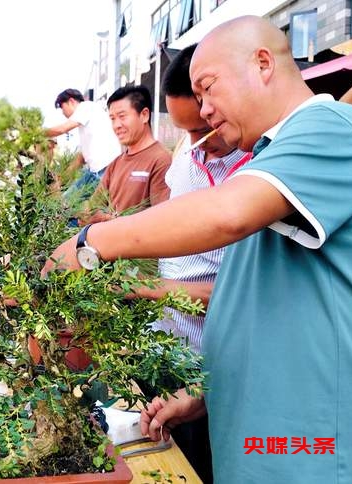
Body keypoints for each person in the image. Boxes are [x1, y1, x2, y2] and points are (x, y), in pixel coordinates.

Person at [45, 15, 352, 484]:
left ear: (262, 63)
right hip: (262, 443)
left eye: (209, 88)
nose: (206, 108)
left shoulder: (330, 127)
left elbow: (226, 213)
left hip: (310, 450)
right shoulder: (268, 165)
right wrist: (207, 392)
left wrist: (88, 245)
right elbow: (258, 304)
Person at [140, 43, 249, 484]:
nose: (197, 142)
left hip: (224, 367)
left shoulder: (259, 174)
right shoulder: (185, 164)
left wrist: (141, 289)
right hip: (174, 355)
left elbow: (238, 295)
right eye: (184, 130)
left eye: (202, 127)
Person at [81, 85, 171, 225]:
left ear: (144, 115)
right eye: (112, 118)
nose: (117, 125)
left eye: (122, 116)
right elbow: (90, 211)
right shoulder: (115, 164)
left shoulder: (162, 160)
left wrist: (109, 220)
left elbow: (161, 222)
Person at [45, 88, 122, 197]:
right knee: (67, 201)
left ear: (71, 101)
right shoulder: (88, 123)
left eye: (62, 108)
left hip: (105, 169)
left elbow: (62, 129)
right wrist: (60, 181)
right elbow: (80, 158)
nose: (63, 113)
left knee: (70, 204)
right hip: (96, 171)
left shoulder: (86, 107)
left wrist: (36, 133)